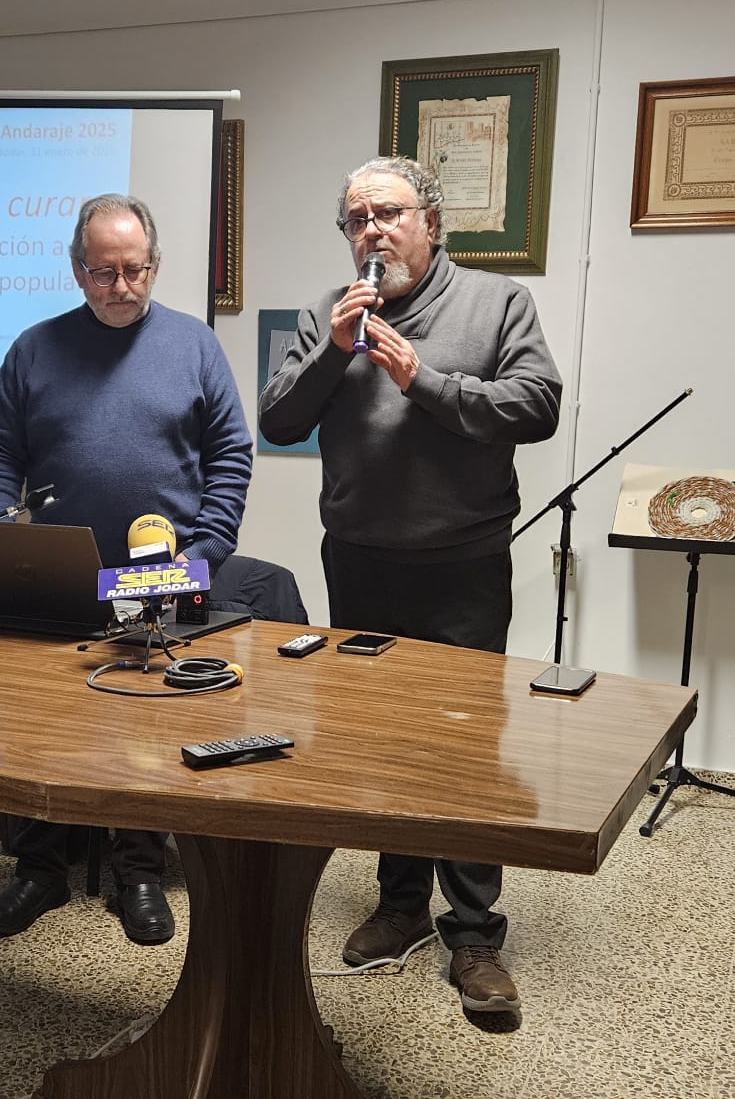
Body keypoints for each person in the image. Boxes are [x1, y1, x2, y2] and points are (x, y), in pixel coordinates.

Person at [258, 156, 562, 1020]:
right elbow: (279, 418)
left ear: (431, 220)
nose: (370, 233)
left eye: (386, 213)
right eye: (356, 219)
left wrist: (420, 380)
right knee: (379, 740)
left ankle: (472, 930)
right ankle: (399, 904)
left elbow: (535, 405)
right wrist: (337, 349)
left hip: (462, 562)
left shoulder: (497, 303)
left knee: (464, 745)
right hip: (360, 559)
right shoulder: (335, 312)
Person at [0, 193, 253, 945]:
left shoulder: (193, 346)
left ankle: (139, 870)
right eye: (103, 273)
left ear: (154, 265)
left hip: (156, 571)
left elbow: (231, 454)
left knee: (141, 719)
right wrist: (3, 528)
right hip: (56, 569)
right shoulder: (35, 349)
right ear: (76, 269)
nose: (121, 287)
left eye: (135, 271)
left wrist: (207, 548)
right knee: (37, 716)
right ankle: (38, 869)